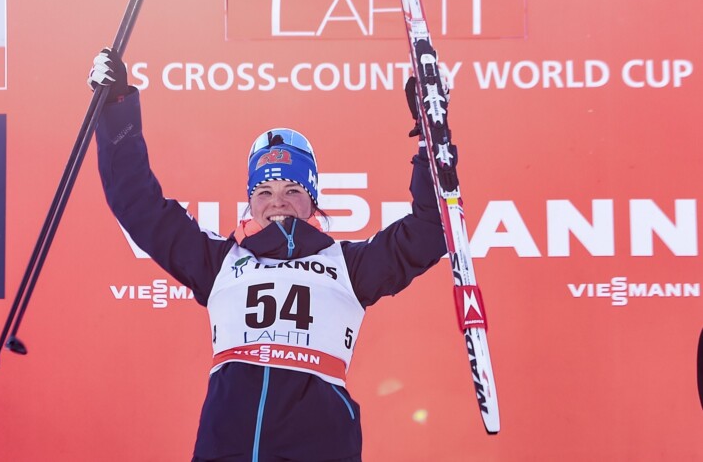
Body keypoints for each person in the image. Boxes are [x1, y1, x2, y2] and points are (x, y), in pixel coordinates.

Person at [89, 48, 448, 462]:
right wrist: (116, 108)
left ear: (311, 200)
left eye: (292, 190)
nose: (278, 202)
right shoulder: (219, 261)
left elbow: (430, 229)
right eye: (264, 191)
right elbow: (138, 204)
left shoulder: (350, 266)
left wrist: (432, 133)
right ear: (250, 201)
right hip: (227, 450)